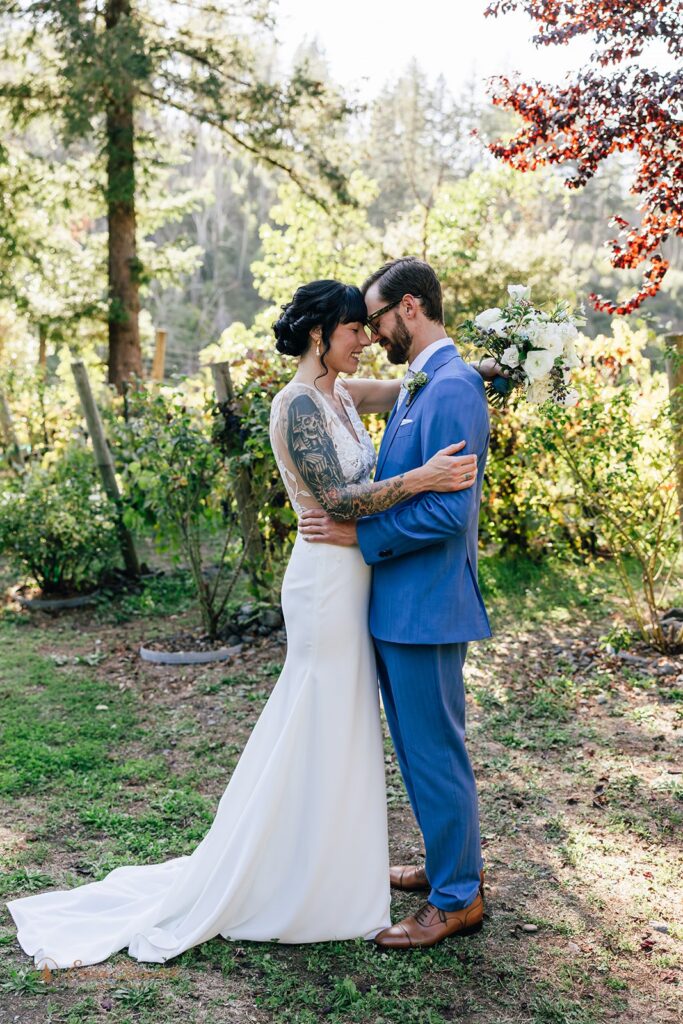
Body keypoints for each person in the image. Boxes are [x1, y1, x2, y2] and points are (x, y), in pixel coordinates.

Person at [6, 278, 484, 969]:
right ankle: (292, 868)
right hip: (325, 581)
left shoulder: (343, 392)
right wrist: (420, 479)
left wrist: (483, 367)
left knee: (344, 726)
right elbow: (338, 500)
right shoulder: (295, 406)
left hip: (360, 584)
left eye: (370, 325)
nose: (366, 340)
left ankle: (340, 864)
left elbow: (412, 386)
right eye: (355, 330)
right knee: (316, 718)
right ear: (323, 336)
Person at [299, 258, 492, 949]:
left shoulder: (452, 386)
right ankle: (450, 868)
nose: (374, 332)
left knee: (434, 752)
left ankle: (456, 899)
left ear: (408, 308)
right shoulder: (422, 382)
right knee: (417, 751)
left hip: (427, 606)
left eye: (377, 318)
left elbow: (447, 516)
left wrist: (359, 533)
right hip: (400, 604)